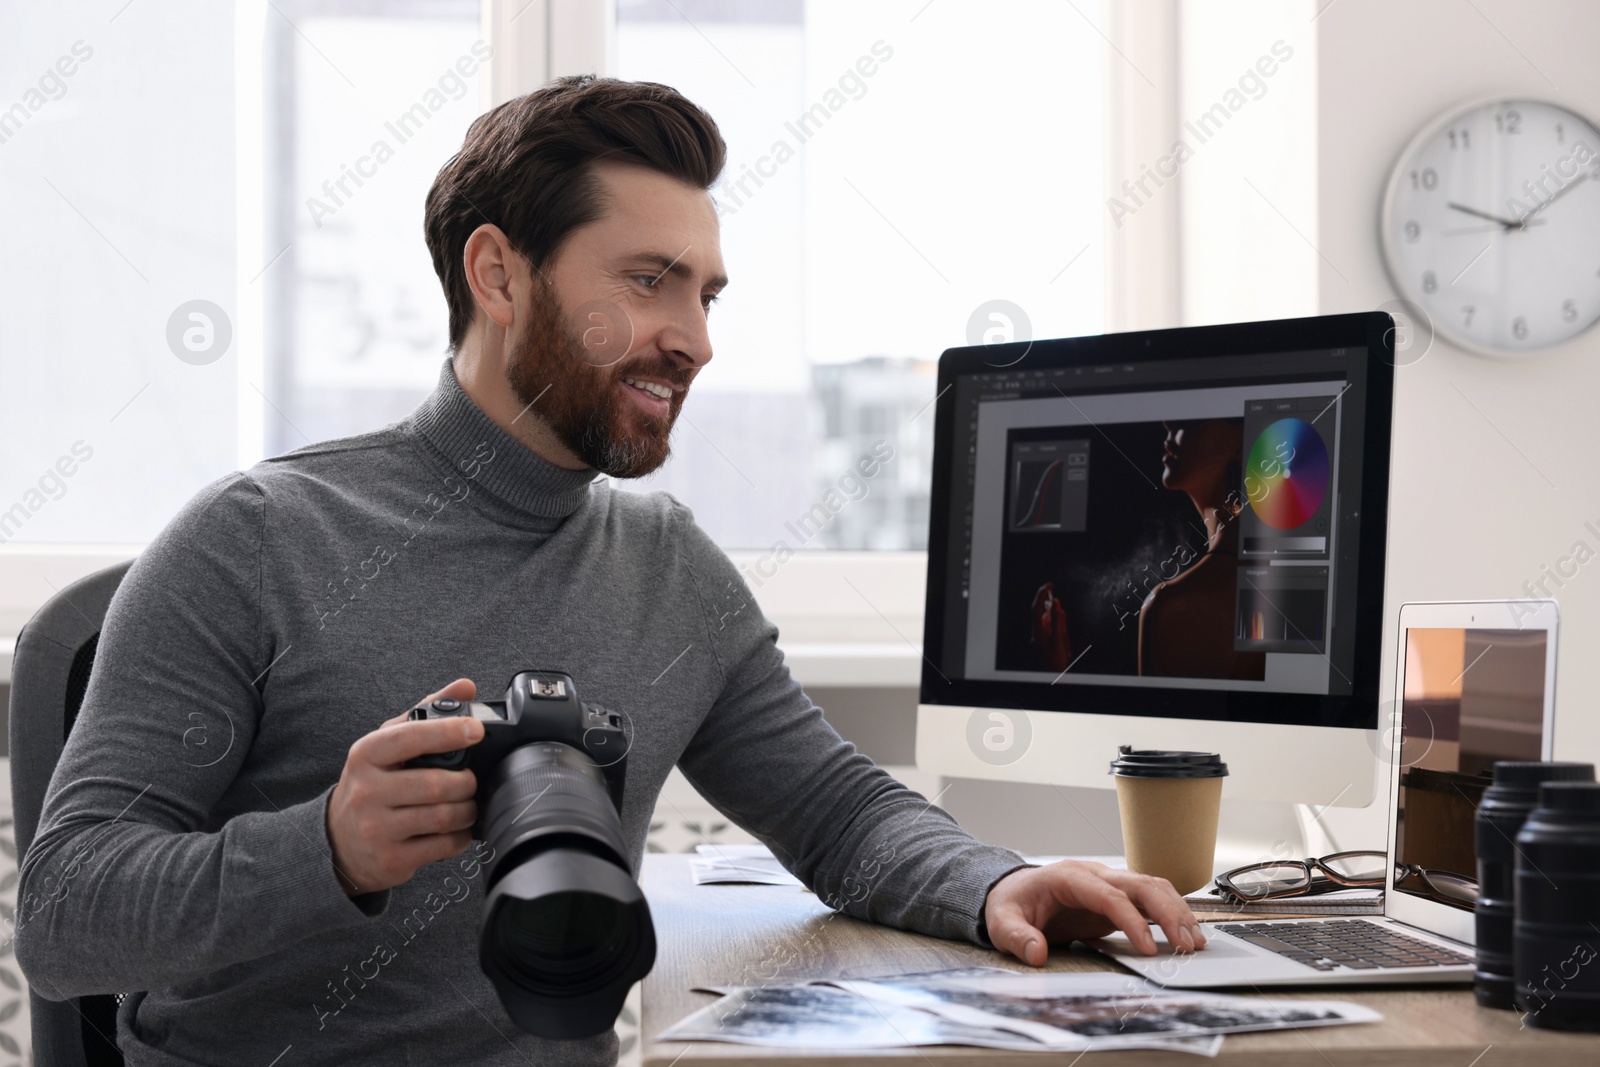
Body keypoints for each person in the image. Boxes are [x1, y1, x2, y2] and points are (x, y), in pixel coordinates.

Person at [16, 76, 1205, 1067]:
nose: (694, 336)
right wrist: (325, 845)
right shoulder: (255, 538)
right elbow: (68, 917)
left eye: (705, 291)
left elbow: (837, 810)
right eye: (647, 279)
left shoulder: (667, 564)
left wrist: (997, 880)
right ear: (498, 274)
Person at [1138, 420, 1265, 679]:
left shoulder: (1171, 607)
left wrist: (1056, 677)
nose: (1168, 422)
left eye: (1194, 417)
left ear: (1243, 443)